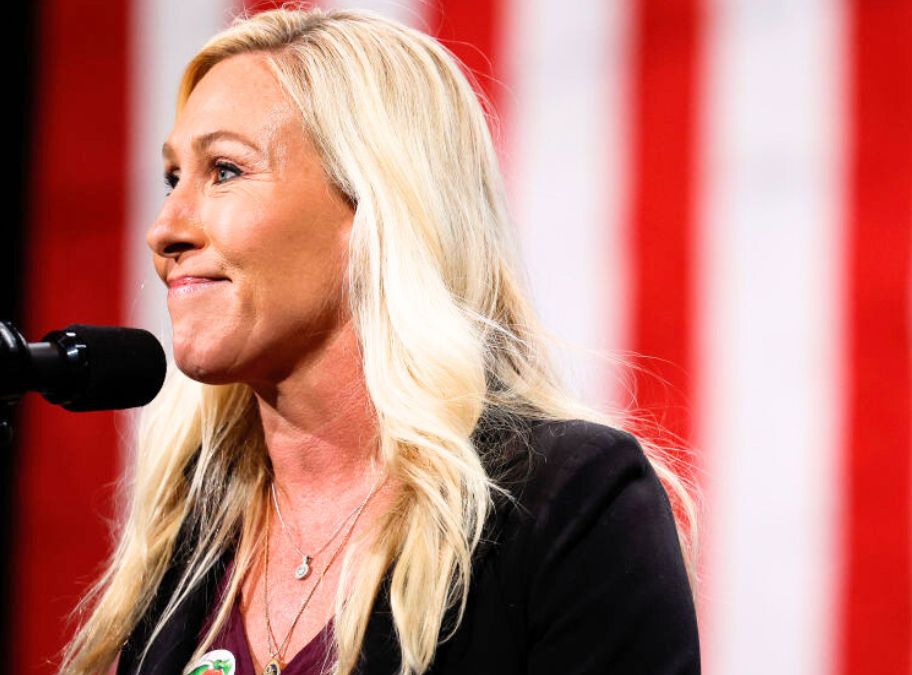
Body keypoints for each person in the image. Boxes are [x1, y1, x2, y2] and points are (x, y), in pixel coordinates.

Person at [58, 7, 698, 675]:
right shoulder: (190, 535)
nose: (165, 230)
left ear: (374, 203)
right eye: (172, 178)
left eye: (224, 170)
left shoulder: (564, 503)